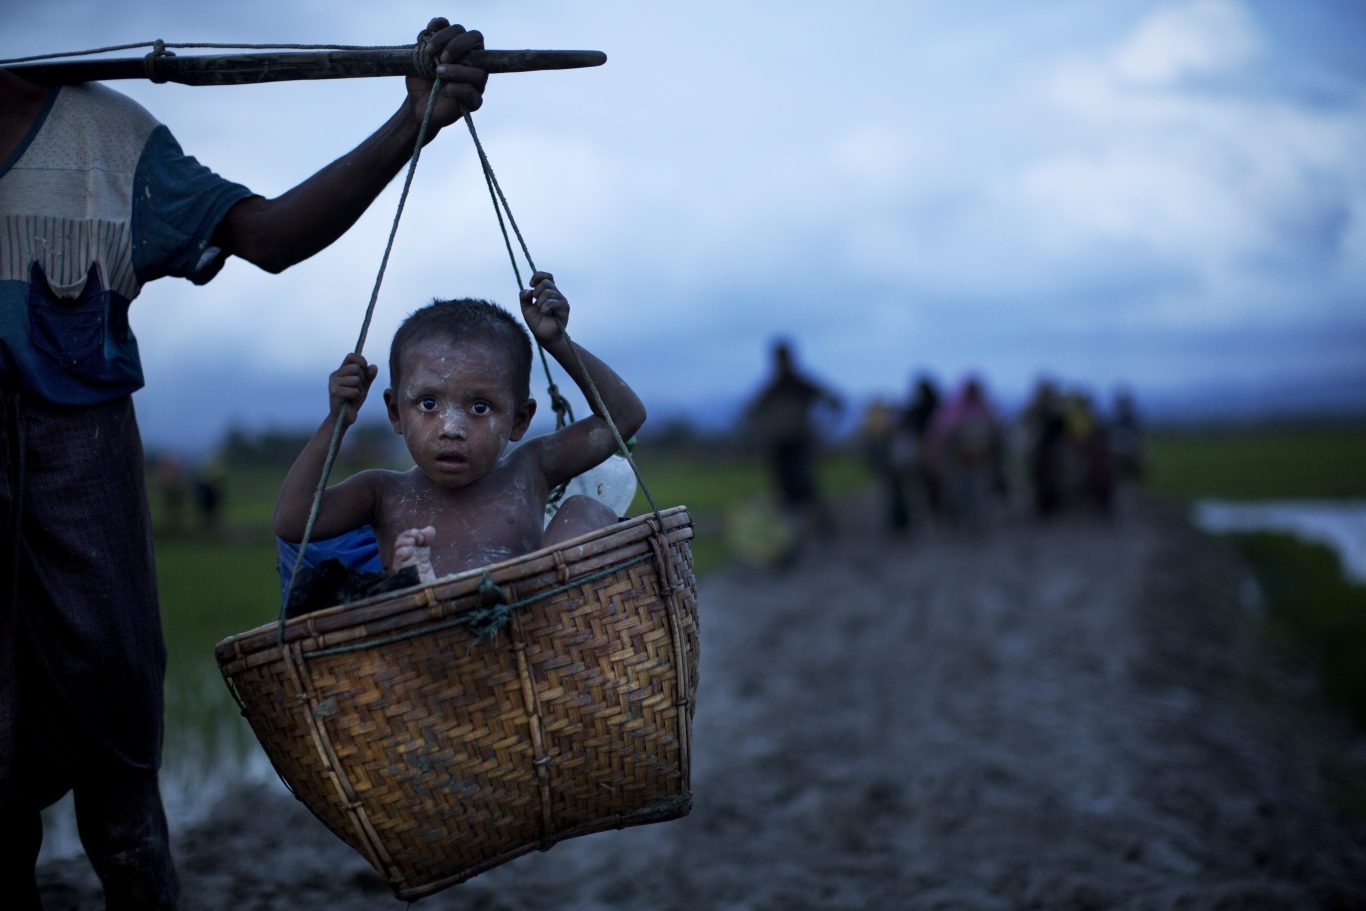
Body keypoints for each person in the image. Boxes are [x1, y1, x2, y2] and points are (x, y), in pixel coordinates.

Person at [0, 19, 487, 908]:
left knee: (119, 750)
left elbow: (265, 234)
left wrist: (410, 121)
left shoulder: (105, 140)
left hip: (81, 488)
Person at [273, 271, 645, 591]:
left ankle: (545, 599)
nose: (451, 429)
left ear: (520, 420)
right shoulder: (383, 493)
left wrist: (557, 343)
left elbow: (624, 416)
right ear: (395, 412)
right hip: (425, 648)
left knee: (584, 510)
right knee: (399, 582)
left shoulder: (530, 470)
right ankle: (415, 586)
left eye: (480, 408)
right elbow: (293, 521)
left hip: (529, 632)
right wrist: (337, 421)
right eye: (429, 405)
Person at [744, 339, 842, 544]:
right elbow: (751, 411)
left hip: (800, 444)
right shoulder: (773, 387)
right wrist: (763, 434)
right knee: (784, 494)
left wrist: (825, 431)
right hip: (780, 447)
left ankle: (823, 534)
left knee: (807, 489)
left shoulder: (801, 384)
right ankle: (790, 537)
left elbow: (836, 402)